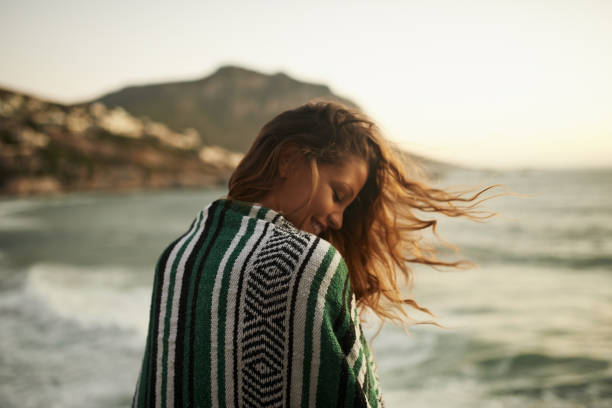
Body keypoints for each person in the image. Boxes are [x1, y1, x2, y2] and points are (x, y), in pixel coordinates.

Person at [132, 101, 506, 407]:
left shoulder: (181, 254)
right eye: (338, 195)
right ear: (290, 160)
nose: (339, 220)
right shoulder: (308, 262)